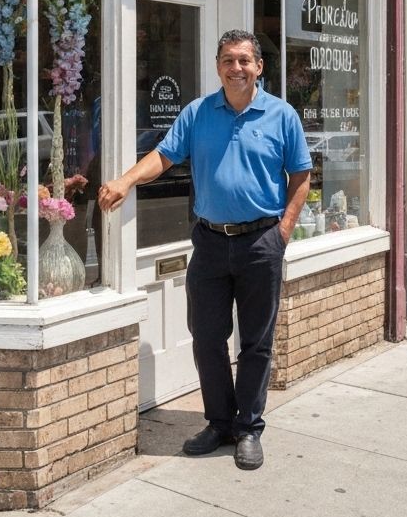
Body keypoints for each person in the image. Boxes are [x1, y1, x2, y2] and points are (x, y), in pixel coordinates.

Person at [98, 29, 311, 470]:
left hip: (260, 241)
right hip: (210, 242)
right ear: (218, 67)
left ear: (259, 67)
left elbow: (301, 177)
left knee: (256, 343)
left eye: (244, 61)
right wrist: (125, 180)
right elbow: (164, 156)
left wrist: (282, 233)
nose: (237, 68)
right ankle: (219, 423)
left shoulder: (282, 115)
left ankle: (249, 427)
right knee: (207, 339)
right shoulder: (197, 113)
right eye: (228, 61)